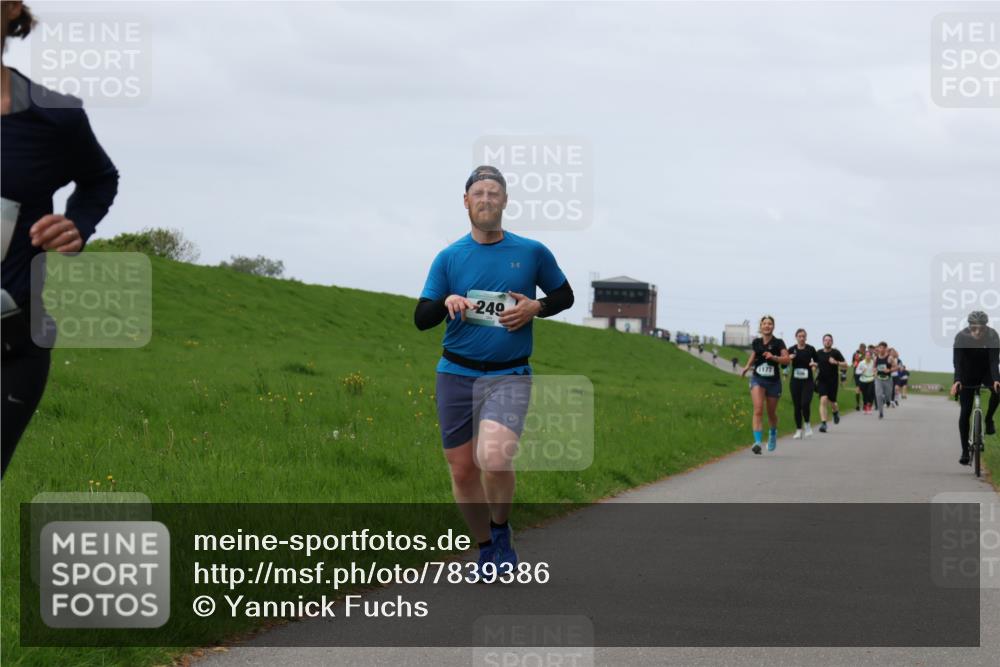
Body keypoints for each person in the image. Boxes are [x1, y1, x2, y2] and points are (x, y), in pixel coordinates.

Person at [415, 165, 573, 576]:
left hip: (509, 373)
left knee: (494, 457)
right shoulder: (449, 257)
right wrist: (448, 299)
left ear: (505, 201)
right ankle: (486, 549)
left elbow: (565, 294)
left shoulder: (532, 251)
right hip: (455, 373)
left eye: (493, 192)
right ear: (465, 202)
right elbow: (421, 317)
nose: (486, 199)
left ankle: (500, 529)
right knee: (463, 468)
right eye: (478, 193)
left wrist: (536, 306)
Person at [1, 1, 119, 478]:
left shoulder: (56, 117)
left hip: (10, 345)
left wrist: (76, 225)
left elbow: (100, 179)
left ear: (11, 8)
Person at [949, 311, 1000, 466]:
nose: (977, 332)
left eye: (981, 328)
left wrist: (996, 380)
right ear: (969, 326)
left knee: (999, 390)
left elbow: (994, 361)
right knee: (965, 412)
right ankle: (965, 451)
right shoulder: (961, 337)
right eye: (974, 328)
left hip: (986, 372)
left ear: (986, 327)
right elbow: (957, 361)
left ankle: (988, 419)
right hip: (966, 373)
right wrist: (957, 380)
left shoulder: (992, 336)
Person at [740, 315, 789, 454]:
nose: (767, 326)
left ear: (773, 326)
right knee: (758, 409)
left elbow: (787, 360)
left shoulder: (779, 342)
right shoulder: (756, 342)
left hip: (773, 381)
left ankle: (772, 433)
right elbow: (754, 355)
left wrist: (774, 357)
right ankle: (757, 442)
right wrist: (747, 366)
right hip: (758, 378)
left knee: (771, 412)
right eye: (764, 323)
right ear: (760, 326)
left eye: (770, 323)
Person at [787, 328, 819, 439]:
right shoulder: (791, 349)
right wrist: (788, 358)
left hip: (808, 381)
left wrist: (814, 364)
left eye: (803, 336)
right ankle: (798, 430)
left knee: (805, 403)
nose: (801, 338)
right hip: (795, 382)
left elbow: (817, 361)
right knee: (797, 406)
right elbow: (783, 364)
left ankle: (808, 425)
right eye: (799, 336)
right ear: (796, 337)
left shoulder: (810, 349)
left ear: (806, 337)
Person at [815, 333, 847, 433]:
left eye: (829, 340)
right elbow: (815, 363)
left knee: (833, 402)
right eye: (825, 340)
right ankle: (823, 424)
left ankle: (836, 412)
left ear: (832, 342)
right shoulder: (818, 352)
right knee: (823, 399)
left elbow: (845, 364)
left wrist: (836, 362)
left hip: (832, 381)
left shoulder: (836, 352)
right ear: (823, 342)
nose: (827, 341)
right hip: (821, 380)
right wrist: (813, 365)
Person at [872, 342, 896, 419]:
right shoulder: (876, 358)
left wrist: (889, 370)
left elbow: (896, 367)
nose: (881, 349)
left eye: (882, 348)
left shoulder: (890, 358)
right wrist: (875, 371)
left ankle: (888, 401)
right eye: (880, 348)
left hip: (888, 379)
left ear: (886, 349)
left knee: (888, 396)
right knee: (878, 395)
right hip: (878, 379)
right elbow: (874, 367)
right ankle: (880, 412)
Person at [852, 343, 866, 411]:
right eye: (862, 348)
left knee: (862, 389)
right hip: (858, 373)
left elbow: (853, 364)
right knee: (858, 388)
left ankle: (861, 404)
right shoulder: (856, 354)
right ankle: (858, 405)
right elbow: (854, 364)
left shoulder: (864, 354)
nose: (862, 350)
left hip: (862, 373)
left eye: (863, 349)